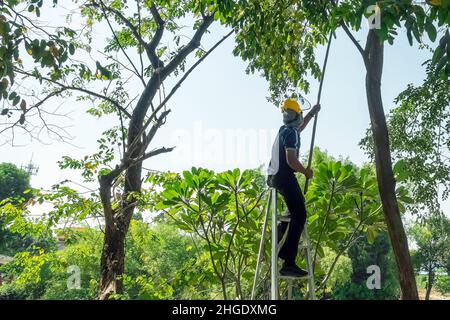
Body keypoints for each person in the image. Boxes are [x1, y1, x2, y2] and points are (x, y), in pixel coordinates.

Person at [267, 98, 320, 277]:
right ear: (297, 115)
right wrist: (305, 172)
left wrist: (312, 113)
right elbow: (291, 160)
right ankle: (288, 262)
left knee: (294, 209)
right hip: (284, 176)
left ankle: (281, 234)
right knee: (301, 213)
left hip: (273, 177)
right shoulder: (292, 133)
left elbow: (299, 128)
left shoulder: (285, 130)